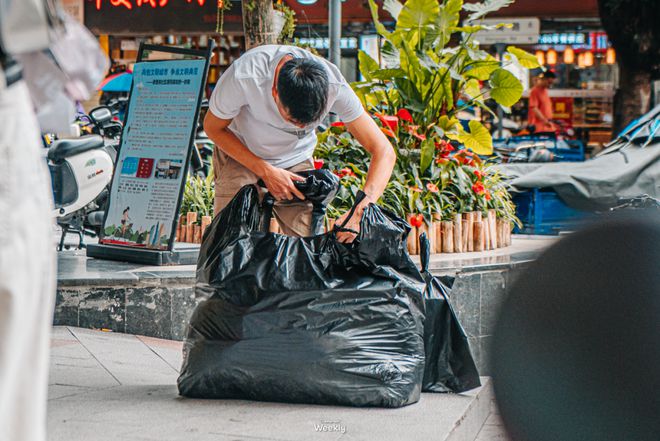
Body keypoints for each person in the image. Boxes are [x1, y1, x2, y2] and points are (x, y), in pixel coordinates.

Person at [204, 45, 396, 243]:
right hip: (241, 152)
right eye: (294, 121)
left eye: (310, 122)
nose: (302, 127)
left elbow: (384, 151)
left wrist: (360, 211)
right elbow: (213, 128)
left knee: (307, 241)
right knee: (229, 242)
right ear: (274, 92)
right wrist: (266, 171)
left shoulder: (334, 85)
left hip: (295, 159)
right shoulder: (245, 76)